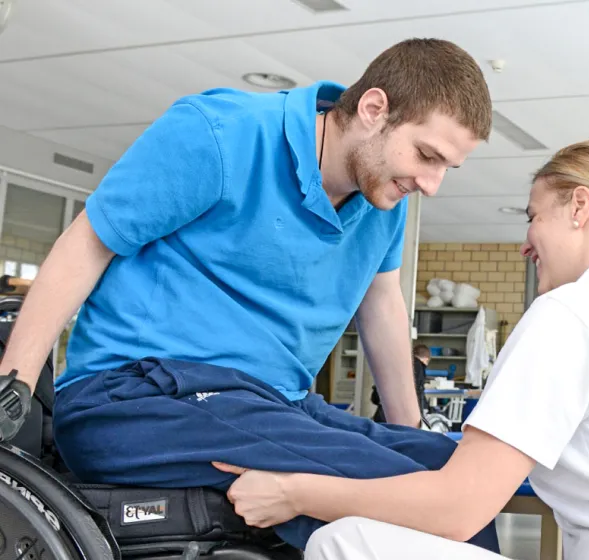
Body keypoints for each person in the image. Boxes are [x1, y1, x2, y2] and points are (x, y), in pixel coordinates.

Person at [0, 38, 499, 552]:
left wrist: (411, 431)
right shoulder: (222, 133)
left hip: (272, 401)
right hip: (138, 397)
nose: (432, 183)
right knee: (416, 502)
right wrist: (12, 392)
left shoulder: (384, 200)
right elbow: (87, 243)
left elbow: (382, 307)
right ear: (374, 109)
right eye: (426, 156)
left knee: (451, 477)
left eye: (447, 167)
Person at [213, 140, 589, 559]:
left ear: (579, 206)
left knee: (344, 541)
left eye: (534, 217)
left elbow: (457, 509)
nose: (526, 242)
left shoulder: (572, 312)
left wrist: (293, 493)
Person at [372, 344, 430, 423]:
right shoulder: (418, 367)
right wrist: (421, 416)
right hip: (400, 415)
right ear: (426, 359)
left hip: (382, 413)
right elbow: (417, 392)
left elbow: (376, 393)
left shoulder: (397, 363)